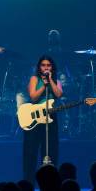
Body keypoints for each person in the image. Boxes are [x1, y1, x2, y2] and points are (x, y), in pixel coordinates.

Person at [22, 55, 63, 183]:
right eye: (43, 65)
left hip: (50, 116)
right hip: (35, 117)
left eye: (48, 65)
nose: (46, 67)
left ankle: (49, 183)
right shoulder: (34, 78)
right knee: (31, 150)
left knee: (50, 150)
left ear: (52, 67)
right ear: (39, 67)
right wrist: (44, 86)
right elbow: (33, 97)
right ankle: (29, 182)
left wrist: (50, 80)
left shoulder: (57, 81)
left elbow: (58, 94)